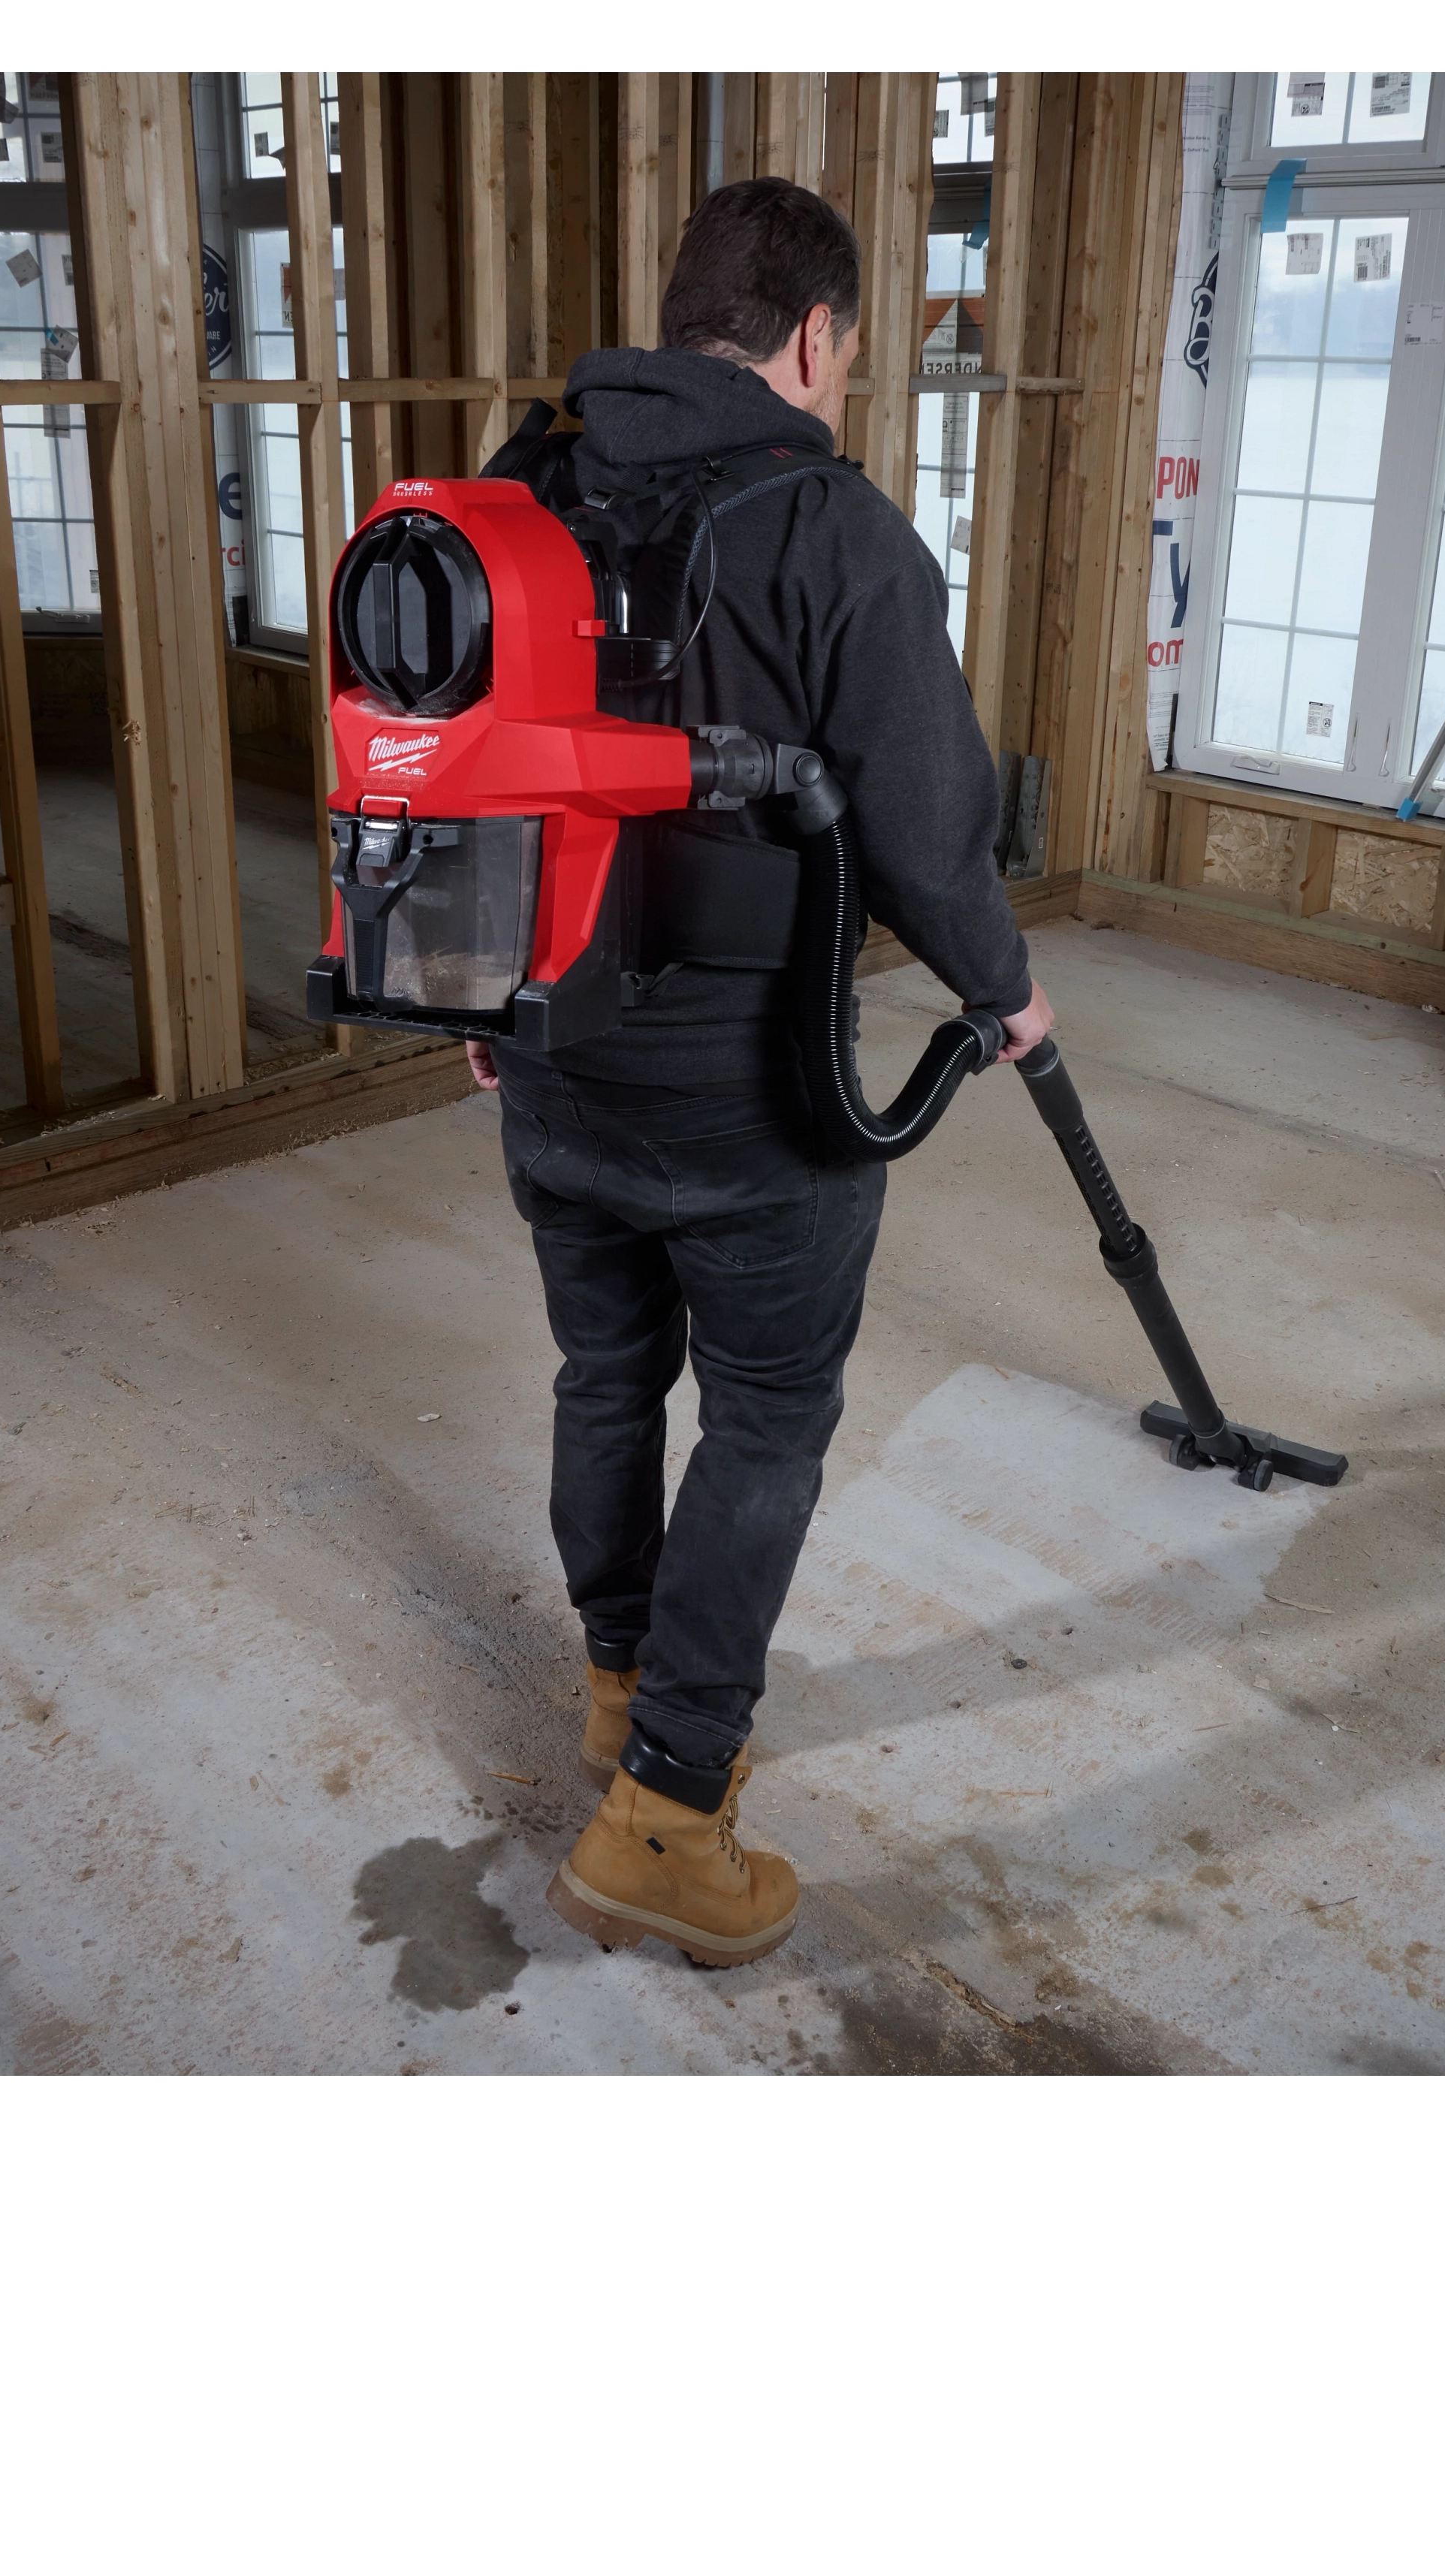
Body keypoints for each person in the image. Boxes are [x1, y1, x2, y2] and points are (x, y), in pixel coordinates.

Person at [473, 176, 1052, 1968]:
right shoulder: (838, 527)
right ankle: (663, 1814)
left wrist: (481, 996)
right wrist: (1005, 993)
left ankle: (615, 1684)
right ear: (813, 335)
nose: (846, 380)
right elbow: (926, 832)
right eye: (853, 352)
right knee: (769, 1424)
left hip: (546, 1053)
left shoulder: (522, 486)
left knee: (602, 1368)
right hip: (757, 1097)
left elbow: (449, 754)